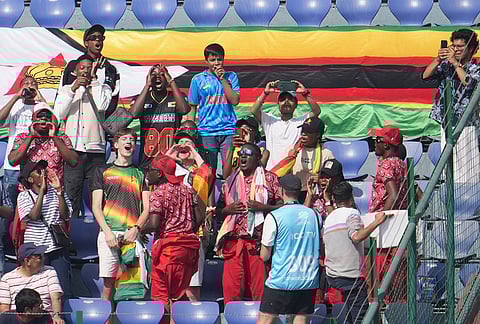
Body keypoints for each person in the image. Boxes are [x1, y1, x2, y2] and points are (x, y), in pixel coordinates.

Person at [90, 128, 150, 309]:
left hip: (132, 236)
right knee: (108, 287)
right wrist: (107, 233)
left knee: (133, 288)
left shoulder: (141, 174)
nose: (129, 142)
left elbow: (147, 208)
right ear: (116, 145)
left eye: (132, 139)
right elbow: (95, 206)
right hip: (109, 235)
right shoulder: (102, 171)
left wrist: (136, 229)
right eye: (124, 139)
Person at [217, 143, 283, 304]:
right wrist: (228, 209)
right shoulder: (230, 181)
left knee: (259, 290)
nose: (243, 157)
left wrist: (264, 207)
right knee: (232, 291)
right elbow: (218, 212)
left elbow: (284, 208)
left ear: (258, 158)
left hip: (258, 243)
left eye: (248, 154)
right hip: (233, 242)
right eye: (241, 154)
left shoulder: (270, 179)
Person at [146, 154, 204, 324]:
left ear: (160, 174)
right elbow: (199, 217)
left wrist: (138, 229)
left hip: (167, 251)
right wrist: (185, 228)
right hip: (188, 250)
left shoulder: (158, 193)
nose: (147, 173)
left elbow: (155, 224)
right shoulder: (188, 189)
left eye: (151, 170)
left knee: (161, 299)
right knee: (179, 298)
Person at [257, 174, 322, 324]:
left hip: (282, 280)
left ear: (281, 191)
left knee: (265, 320)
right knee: (300, 320)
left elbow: (264, 256)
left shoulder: (274, 216)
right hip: (307, 280)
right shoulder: (315, 215)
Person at [54, 56, 113, 219]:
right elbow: (58, 114)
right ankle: (72, 235)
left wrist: (94, 80)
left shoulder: (103, 88)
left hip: (96, 151)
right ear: (75, 71)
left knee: (100, 194)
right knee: (72, 194)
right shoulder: (67, 89)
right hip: (73, 150)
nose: (86, 70)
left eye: (89, 68)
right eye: (82, 68)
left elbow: (102, 105)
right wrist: (73, 89)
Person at [0, 76, 46, 276]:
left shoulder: (41, 107)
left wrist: (38, 95)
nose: (29, 88)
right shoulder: (15, 104)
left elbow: (55, 120)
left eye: (32, 85)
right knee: (8, 214)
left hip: (33, 168)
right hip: (13, 166)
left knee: (32, 214)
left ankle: (31, 262)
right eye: (26, 84)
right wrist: (16, 97)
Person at [323, 182, 387, 324]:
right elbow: (356, 236)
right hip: (350, 276)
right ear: (351, 199)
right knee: (361, 317)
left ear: (335, 200)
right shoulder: (352, 213)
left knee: (350, 315)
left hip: (333, 275)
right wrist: (376, 222)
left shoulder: (330, 217)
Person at [422, 29, 480, 183]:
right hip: (446, 121)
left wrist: (455, 63)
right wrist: (438, 59)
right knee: (449, 164)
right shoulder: (446, 66)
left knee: (468, 167)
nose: (457, 50)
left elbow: (470, 84)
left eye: (461, 47)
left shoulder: (476, 68)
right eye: (454, 46)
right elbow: (425, 75)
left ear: (473, 49)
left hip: (466, 123)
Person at [16, 160, 72, 300]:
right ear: (30, 179)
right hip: (35, 251)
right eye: (38, 172)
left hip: (56, 248)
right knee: (37, 291)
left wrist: (59, 192)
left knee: (62, 290)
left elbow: (65, 215)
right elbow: (34, 216)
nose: (43, 174)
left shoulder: (57, 192)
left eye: (44, 171)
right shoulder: (24, 196)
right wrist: (41, 191)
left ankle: (63, 319)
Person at [170, 128, 214, 302]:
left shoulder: (200, 172)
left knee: (192, 288)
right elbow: (155, 169)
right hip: (172, 232)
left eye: (188, 143)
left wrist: (194, 152)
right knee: (173, 288)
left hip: (195, 233)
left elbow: (209, 172)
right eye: (180, 143)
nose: (183, 146)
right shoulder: (170, 171)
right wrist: (172, 153)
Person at [188, 43, 240, 178]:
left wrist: (222, 80)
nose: (216, 63)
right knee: (207, 173)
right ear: (206, 61)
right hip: (206, 132)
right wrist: (190, 132)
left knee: (230, 172)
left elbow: (234, 100)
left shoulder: (231, 76)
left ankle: (230, 198)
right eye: (212, 60)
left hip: (228, 131)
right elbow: (192, 107)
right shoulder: (198, 80)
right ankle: (210, 199)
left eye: (219, 59)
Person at [369, 127, 408, 303]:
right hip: (400, 219)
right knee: (397, 271)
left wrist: (382, 218)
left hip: (386, 222)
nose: (374, 143)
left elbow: (393, 193)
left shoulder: (387, 164)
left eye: (377, 140)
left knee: (382, 271)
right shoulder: (401, 163)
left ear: (385, 144)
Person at [249, 80, 321, 170]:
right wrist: (265, 93)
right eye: (282, 100)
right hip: (271, 172)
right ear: (278, 104)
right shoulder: (270, 121)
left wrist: (305, 93)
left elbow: (316, 111)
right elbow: (253, 110)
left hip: (292, 172)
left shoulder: (301, 122)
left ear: (296, 105)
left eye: (290, 99)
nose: (286, 102)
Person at [130, 64, 190, 169]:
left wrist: (171, 81)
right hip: (147, 160)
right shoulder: (143, 98)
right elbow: (133, 114)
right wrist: (147, 85)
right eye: (153, 74)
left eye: (162, 74)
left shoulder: (175, 97)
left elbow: (184, 110)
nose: (157, 76)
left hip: (170, 160)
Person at [8, 103, 78, 185]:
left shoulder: (61, 137)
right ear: (33, 119)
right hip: (30, 191)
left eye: (47, 116)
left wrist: (54, 137)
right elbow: (12, 161)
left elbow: (74, 162)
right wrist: (31, 136)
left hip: (55, 191)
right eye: (40, 115)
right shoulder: (22, 137)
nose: (43, 118)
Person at [61, 24, 120, 118]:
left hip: (98, 121)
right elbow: (62, 91)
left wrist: (105, 121)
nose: (97, 40)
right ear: (86, 43)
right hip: (74, 117)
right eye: (93, 37)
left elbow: (113, 97)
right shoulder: (73, 65)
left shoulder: (110, 69)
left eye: (100, 38)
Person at [271, 117, 334, 204]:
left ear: (317, 135)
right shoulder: (292, 151)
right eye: (303, 130)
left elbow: (333, 180)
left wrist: (320, 179)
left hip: (313, 194)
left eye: (308, 132)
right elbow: (282, 171)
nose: (303, 134)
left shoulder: (327, 154)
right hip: (291, 193)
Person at [0, 242, 64, 324]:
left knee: (79, 315)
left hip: (45, 319)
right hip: (20, 320)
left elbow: (56, 297)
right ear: (27, 261)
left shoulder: (49, 271)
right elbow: (4, 309)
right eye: (39, 257)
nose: (43, 258)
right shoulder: (7, 279)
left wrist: (56, 316)